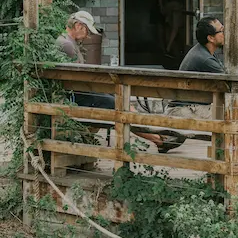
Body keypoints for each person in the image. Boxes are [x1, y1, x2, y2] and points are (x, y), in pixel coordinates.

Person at [56, 11, 181, 153]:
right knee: (121, 105)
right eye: (87, 30)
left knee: (122, 102)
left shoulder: (67, 41)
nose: (88, 35)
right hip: (77, 96)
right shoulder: (67, 45)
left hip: (80, 93)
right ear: (78, 26)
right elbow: (77, 78)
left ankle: (159, 135)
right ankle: (158, 139)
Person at [165, 17, 238, 120]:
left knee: (235, 110)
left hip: (187, 106)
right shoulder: (205, 59)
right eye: (222, 30)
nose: (226, 33)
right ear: (211, 38)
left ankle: (220, 136)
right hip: (182, 110)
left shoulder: (203, 50)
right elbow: (230, 81)